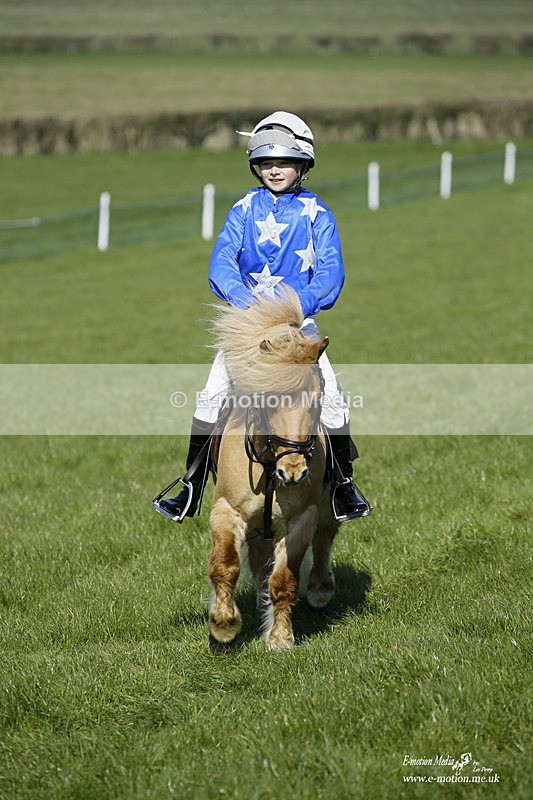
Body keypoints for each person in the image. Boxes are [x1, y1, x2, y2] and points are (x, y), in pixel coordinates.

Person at [154, 111, 371, 524]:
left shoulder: (317, 215)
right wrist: (246, 305)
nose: (275, 170)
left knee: (336, 405)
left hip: (298, 329)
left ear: (302, 166)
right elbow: (221, 263)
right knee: (210, 397)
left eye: (284, 163)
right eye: (267, 163)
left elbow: (331, 273)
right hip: (248, 328)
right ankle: (191, 485)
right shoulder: (243, 210)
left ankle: (343, 485)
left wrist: (295, 308)